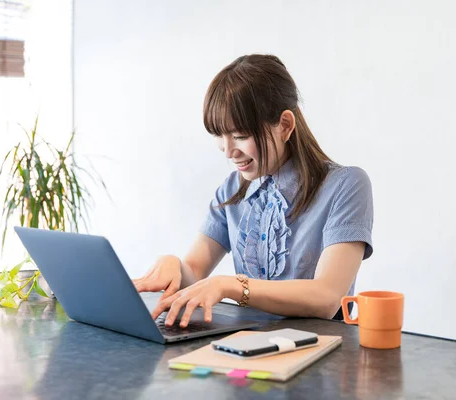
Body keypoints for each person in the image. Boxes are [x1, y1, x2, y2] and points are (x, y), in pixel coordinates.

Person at [132, 54, 373, 328]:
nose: (228, 151)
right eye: (219, 136)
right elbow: (194, 272)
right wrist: (173, 265)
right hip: (244, 346)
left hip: (319, 353)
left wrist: (232, 285)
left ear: (284, 125)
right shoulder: (232, 190)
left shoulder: (346, 185)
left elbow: (327, 296)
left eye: (240, 136)